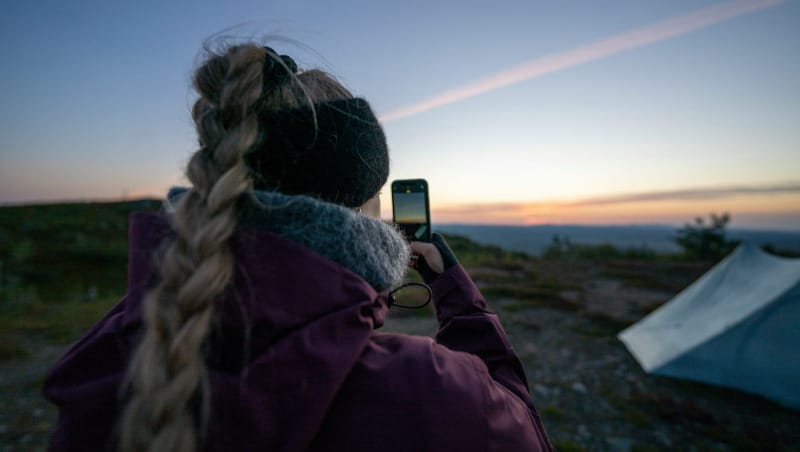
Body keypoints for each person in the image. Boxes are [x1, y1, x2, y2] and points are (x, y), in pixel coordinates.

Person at [43, 43, 554, 452]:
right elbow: (519, 420)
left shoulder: (110, 352)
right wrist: (456, 292)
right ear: (363, 204)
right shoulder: (430, 389)